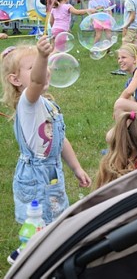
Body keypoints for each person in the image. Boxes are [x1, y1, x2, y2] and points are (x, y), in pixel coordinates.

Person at [1, 37, 92, 263]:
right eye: (32, 68)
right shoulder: (28, 103)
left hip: (52, 173)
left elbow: (61, 141)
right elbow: (36, 82)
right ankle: (30, 259)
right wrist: (42, 56)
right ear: (15, 80)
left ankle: (34, 255)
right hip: (34, 177)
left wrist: (77, 167)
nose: (45, 70)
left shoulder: (47, 104)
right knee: (39, 223)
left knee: (55, 219)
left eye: (46, 63)